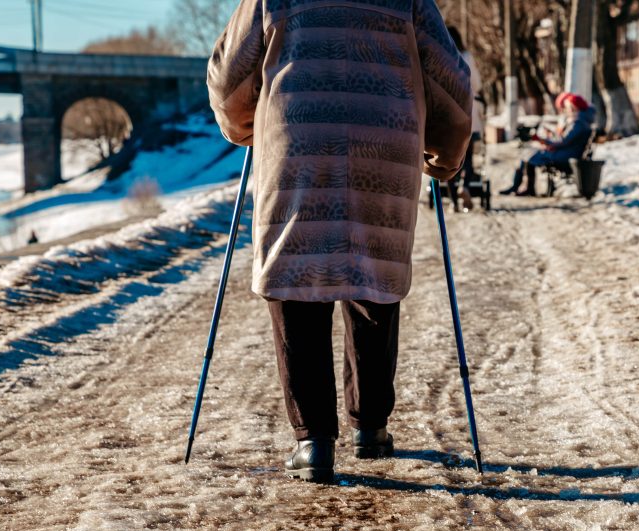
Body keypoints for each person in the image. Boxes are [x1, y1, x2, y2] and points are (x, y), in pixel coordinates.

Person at [207, 0, 472, 483]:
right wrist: (445, 153)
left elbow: (230, 77)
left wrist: (244, 126)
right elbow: (449, 78)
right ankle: (370, 427)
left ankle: (313, 443)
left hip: (298, 144)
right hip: (385, 144)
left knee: (295, 281)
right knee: (374, 274)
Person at [499, 92, 596, 197]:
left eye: (568, 107)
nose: (566, 110)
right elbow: (565, 140)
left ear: (574, 107)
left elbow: (563, 141)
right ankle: (524, 187)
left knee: (529, 156)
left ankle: (522, 187)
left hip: (566, 156)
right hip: (565, 152)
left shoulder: (578, 123)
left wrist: (544, 140)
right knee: (528, 155)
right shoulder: (579, 121)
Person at [446, 25, 483, 211]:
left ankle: (453, 202)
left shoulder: (441, 56)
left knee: (449, 160)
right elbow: (476, 84)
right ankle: (466, 187)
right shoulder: (467, 57)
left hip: (447, 116)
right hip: (468, 114)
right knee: (467, 157)